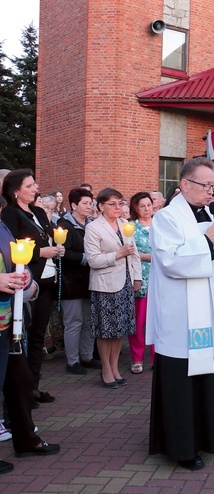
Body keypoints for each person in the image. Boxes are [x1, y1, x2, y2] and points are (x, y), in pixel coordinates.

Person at [147, 157, 214, 471]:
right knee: (183, 381)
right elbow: (170, 260)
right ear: (186, 184)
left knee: (211, 372)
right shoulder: (166, 218)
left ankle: (213, 434)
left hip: (210, 311)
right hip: (182, 315)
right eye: (207, 186)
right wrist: (206, 240)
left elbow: (213, 258)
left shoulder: (208, 214)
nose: (212, 192)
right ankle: (183, 446)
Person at [0, 197, 60, 471]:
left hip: (9, 321)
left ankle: (26, 440)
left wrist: (28, 281)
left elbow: (15, 261)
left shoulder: (2, 225)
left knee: (20, 382)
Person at [1, 169, 63, 404]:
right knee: (23, 337)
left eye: (35, 184)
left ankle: (33, 386)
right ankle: (20, 392)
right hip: (28, 281)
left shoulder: (37, 211)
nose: (35, 188)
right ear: (15, 191)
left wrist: (56, 248)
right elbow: (11, 247)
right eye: (29, 186)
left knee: (37, 337)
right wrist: (40, 252)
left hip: (47, 280)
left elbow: (47, 238)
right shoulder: (10, 213)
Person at [84, 188, 142, 388]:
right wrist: (117, 254)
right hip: (105, 284)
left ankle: (115, 367)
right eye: (113, 204)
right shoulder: (93, 228)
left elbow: (133, 253)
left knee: (120, 329)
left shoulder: (125, 224)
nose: (118, 207)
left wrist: (137, 277)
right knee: (105, 329)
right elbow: (92, 260)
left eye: (120, 203)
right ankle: (106, 369)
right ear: (100, 206)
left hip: (125, 281)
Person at [57, 187, 100, 375]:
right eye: (85, 203)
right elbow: (64, 252)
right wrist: (87, 258)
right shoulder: (64, 225)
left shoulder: (92, 224)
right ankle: (72, 361)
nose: (89, 207)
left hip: (90, 281)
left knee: (89, 320)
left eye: (91, 203)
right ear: (73, 205)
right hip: (71, 281)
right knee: (74, 321)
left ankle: (87, 356)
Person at [128, 192, 155, 374]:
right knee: (138, 321)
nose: (146, 209)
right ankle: (137, 358)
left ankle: (157, 356)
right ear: (135, 208)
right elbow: (129, 252)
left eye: (148, 205)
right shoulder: (130, 228)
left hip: (160, 279)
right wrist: (148, 257)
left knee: (158, 320)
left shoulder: (161, 225)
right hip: (140, 279)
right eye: (142, 206)